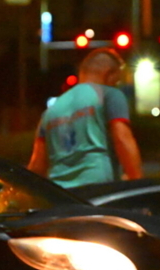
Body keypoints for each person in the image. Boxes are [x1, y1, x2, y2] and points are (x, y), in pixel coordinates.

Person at [28, 49, 142, 188]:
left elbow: (37, 166)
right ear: (109, 74)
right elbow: (122, 139)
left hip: (60, 194)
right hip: (98, 188)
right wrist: (138, 183)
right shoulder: (109, 95)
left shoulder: (50, 112)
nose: (115, 84)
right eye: (116, 80)